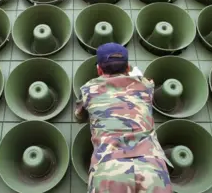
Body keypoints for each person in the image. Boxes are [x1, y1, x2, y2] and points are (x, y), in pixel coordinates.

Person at [74, 42, 173, 193]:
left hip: (109, 168)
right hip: (152, 168)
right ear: (128, 67)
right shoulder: (146, 85)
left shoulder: (88, 90)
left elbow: (79, 116)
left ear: (99, 69)